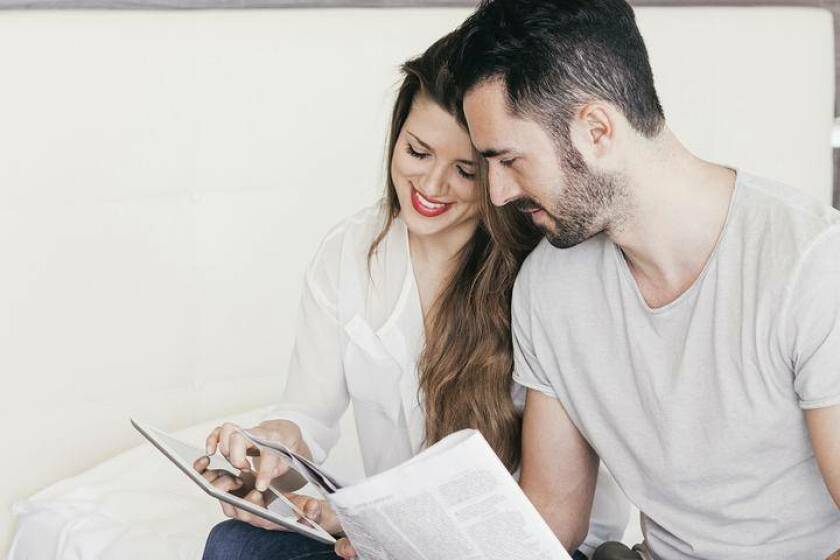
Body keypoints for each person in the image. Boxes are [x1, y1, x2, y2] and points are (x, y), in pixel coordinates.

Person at [196, 30, 630, 560]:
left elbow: (551, 520)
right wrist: (267, 452)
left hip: (520, 549)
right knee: (233, 544)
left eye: (465, 170)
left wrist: (358, 525)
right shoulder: (350, 253)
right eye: (417, 152)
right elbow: (308, 418)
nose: (431, 185)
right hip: (397, 543)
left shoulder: (542, 277)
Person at [447, 0, 840, 558]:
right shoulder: (550, 286)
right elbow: (553, 516)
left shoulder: (813, 265)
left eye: (509, 160)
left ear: (597, 130)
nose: (498, 193)